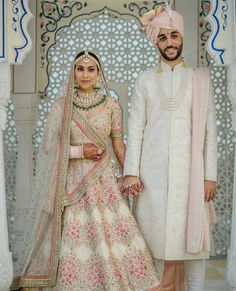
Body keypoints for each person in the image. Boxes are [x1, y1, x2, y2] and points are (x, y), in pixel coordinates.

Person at [11, 51, 161, 290]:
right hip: (70, 183)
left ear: (99, 73)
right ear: (73, 72)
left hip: (104, 181)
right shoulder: (61, 106)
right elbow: (48, 149)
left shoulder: (111, 105)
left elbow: (118, 144)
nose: (85, 74)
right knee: (74, 236)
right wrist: (81, 152)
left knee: (112, 236)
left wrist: (131, 174)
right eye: (80, 69)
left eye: (91, 69)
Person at [122, 3, 217, 291]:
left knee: (192, 241)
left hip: (190, 174)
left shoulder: (199, 79)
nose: (169, 43)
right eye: (162, 37)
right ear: (156, 41)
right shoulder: (146, 80)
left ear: (182, 38)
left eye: (173, 36)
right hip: (151, 177)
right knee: (153, 238)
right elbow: (135, 128)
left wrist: (209, 174)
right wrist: (131, 172)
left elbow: (210, 132)